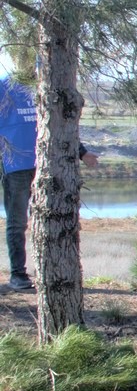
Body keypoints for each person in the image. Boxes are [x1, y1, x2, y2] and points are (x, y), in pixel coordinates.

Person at [0, 75, 99, 292]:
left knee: (53, 218)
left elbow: (62, 123)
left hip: (49, 163)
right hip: (15, 166)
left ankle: (54, 274)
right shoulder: (3, 87)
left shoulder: (47, 83)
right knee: (17, 223)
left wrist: (82, 152)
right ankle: (18, 275)